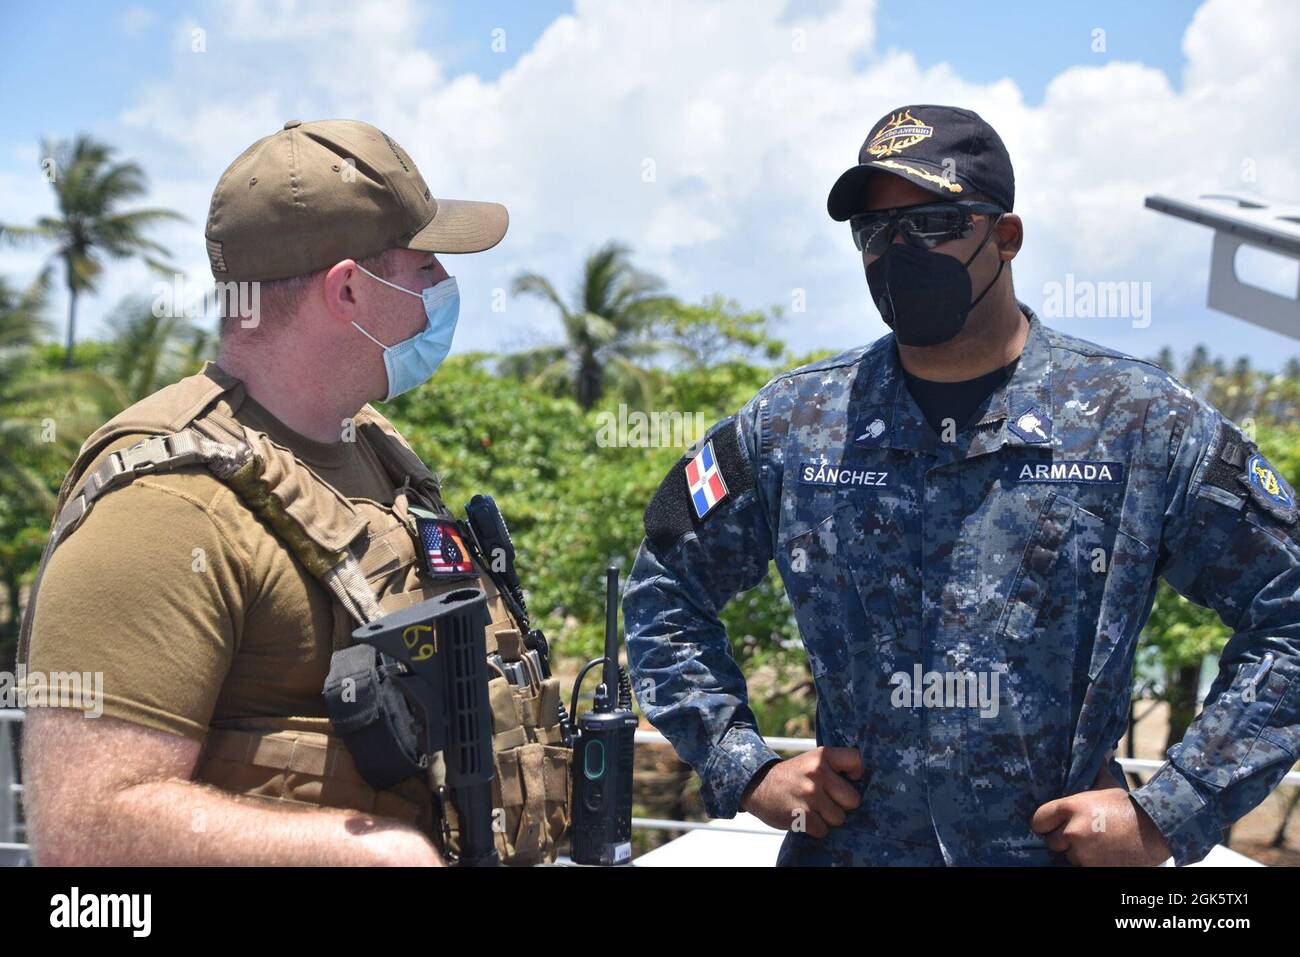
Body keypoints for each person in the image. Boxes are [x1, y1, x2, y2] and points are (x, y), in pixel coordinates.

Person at [623, 104, 1300, 866]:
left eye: (934, 224)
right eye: (875, 233)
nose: (899, 252)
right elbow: (662, 588)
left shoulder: (1138, 424)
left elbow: (1292, 609)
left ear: (1005, 237)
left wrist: (1172, 807)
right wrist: (744, 764)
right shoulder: (795, 423)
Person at [20, 119, 570, 866]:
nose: (445, 288)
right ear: (347, 288)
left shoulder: (380, 457)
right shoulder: (162, 510)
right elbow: (82, 832)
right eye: (426, 267)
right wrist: (363, 856)